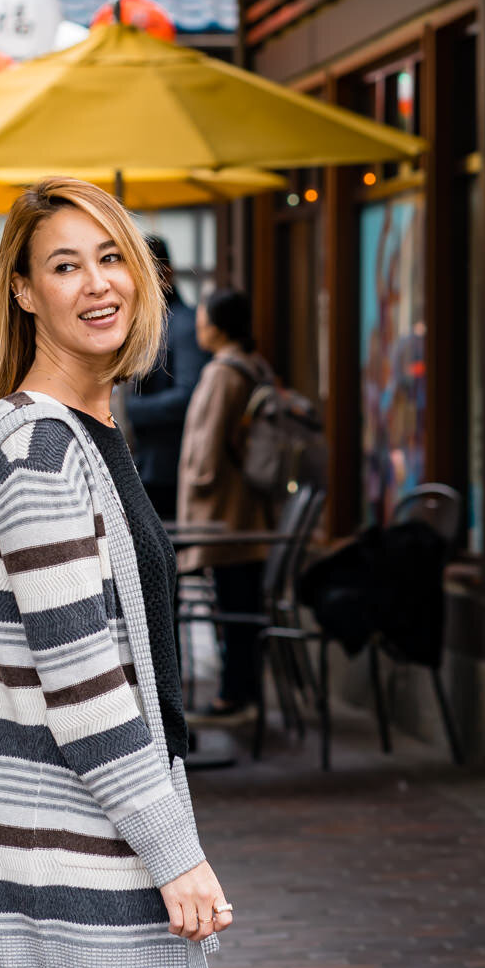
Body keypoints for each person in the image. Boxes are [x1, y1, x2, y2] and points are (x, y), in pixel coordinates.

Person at [0, 178, 232, 968]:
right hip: (81, 832)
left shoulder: (84, 433)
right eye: (64, 264)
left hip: (56, 822)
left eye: (111, 256)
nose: (96, 282)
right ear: (22, 291)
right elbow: (85, 684)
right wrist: (172, 849)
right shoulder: (44, 454)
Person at [177, 285, 276, 720]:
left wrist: (197, 487)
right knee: (241, 600)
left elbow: (206, 444)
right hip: (247, 504)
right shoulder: (254, 366)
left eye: (202, 320)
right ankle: (243, 692)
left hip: (225, 507)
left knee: (235, 605)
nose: (198, 328)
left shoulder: (222, 372)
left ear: (216, 327)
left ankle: (234, 696)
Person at [125, 236, 209, 528]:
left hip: (166, 470)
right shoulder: (153, 323)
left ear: (166, 274)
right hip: (148, 466)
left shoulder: (183, 325)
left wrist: (128, 410)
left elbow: (189, 397)